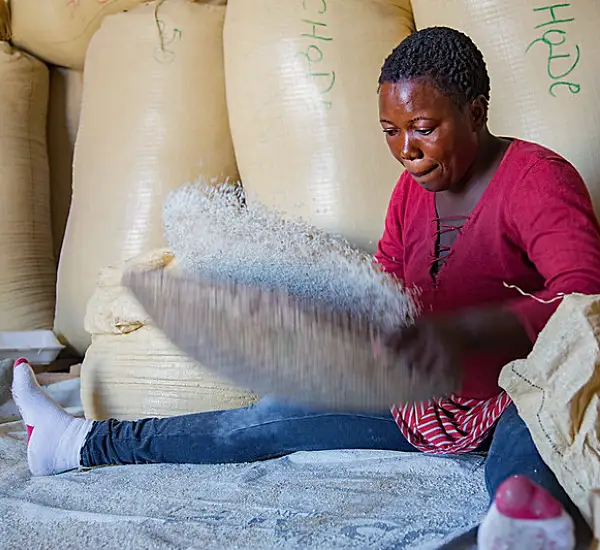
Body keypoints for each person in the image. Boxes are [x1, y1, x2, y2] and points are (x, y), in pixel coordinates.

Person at [11, 27, 600, 547]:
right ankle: (75, 444)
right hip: (421, 403)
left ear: (476, 112)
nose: (406, 152)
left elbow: (585, 302)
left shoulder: (537, 180)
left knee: (534, 450)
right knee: (258, 423)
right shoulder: (408, 195)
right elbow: (388, 286)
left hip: (515, 393)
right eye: (390, 131)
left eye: (423, 128)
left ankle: (518, 532)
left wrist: (471, 332)